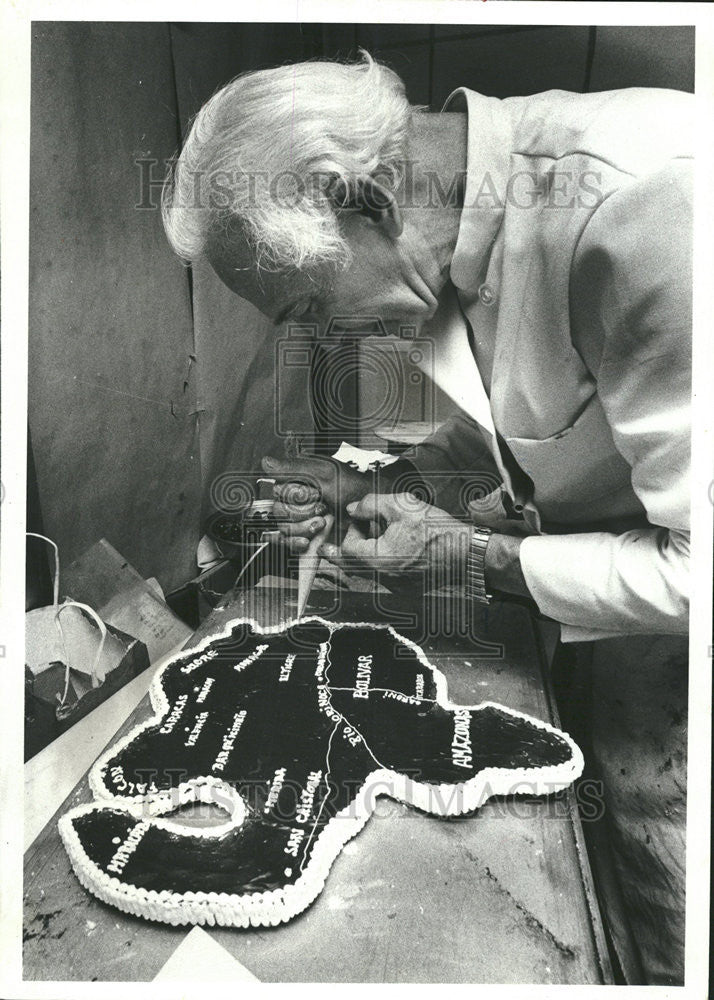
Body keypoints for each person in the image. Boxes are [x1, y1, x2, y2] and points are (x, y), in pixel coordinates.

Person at [162, 53, 692, 984]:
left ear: (367, 200)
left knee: (673, 906)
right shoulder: (446, 237)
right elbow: (548, 453)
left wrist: (471, 556)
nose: (320, 342)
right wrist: (366, 495)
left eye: (309, 307)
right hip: (630, 625)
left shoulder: (647, 211)